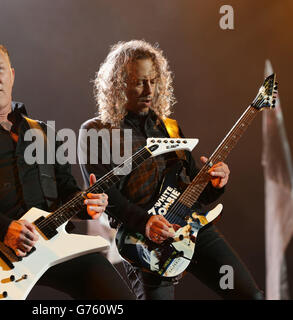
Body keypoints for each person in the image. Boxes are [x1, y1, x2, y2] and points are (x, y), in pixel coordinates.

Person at [0, 40, 135, 300]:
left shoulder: (44, 132)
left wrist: (88, 205)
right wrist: (5, 228)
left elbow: (67, 192)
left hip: (54, 244)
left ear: (12, 75)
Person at [78, 39, 264, 300]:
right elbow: (106, 196)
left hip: (191, 228)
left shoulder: (169, 127)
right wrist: (146, 222)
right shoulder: (96, 131)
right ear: (119, 84)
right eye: (139, 81)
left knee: (252, 296)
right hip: (143, 241)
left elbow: (194, 192)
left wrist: (214, 184)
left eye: (153, 81)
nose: (149, 89)